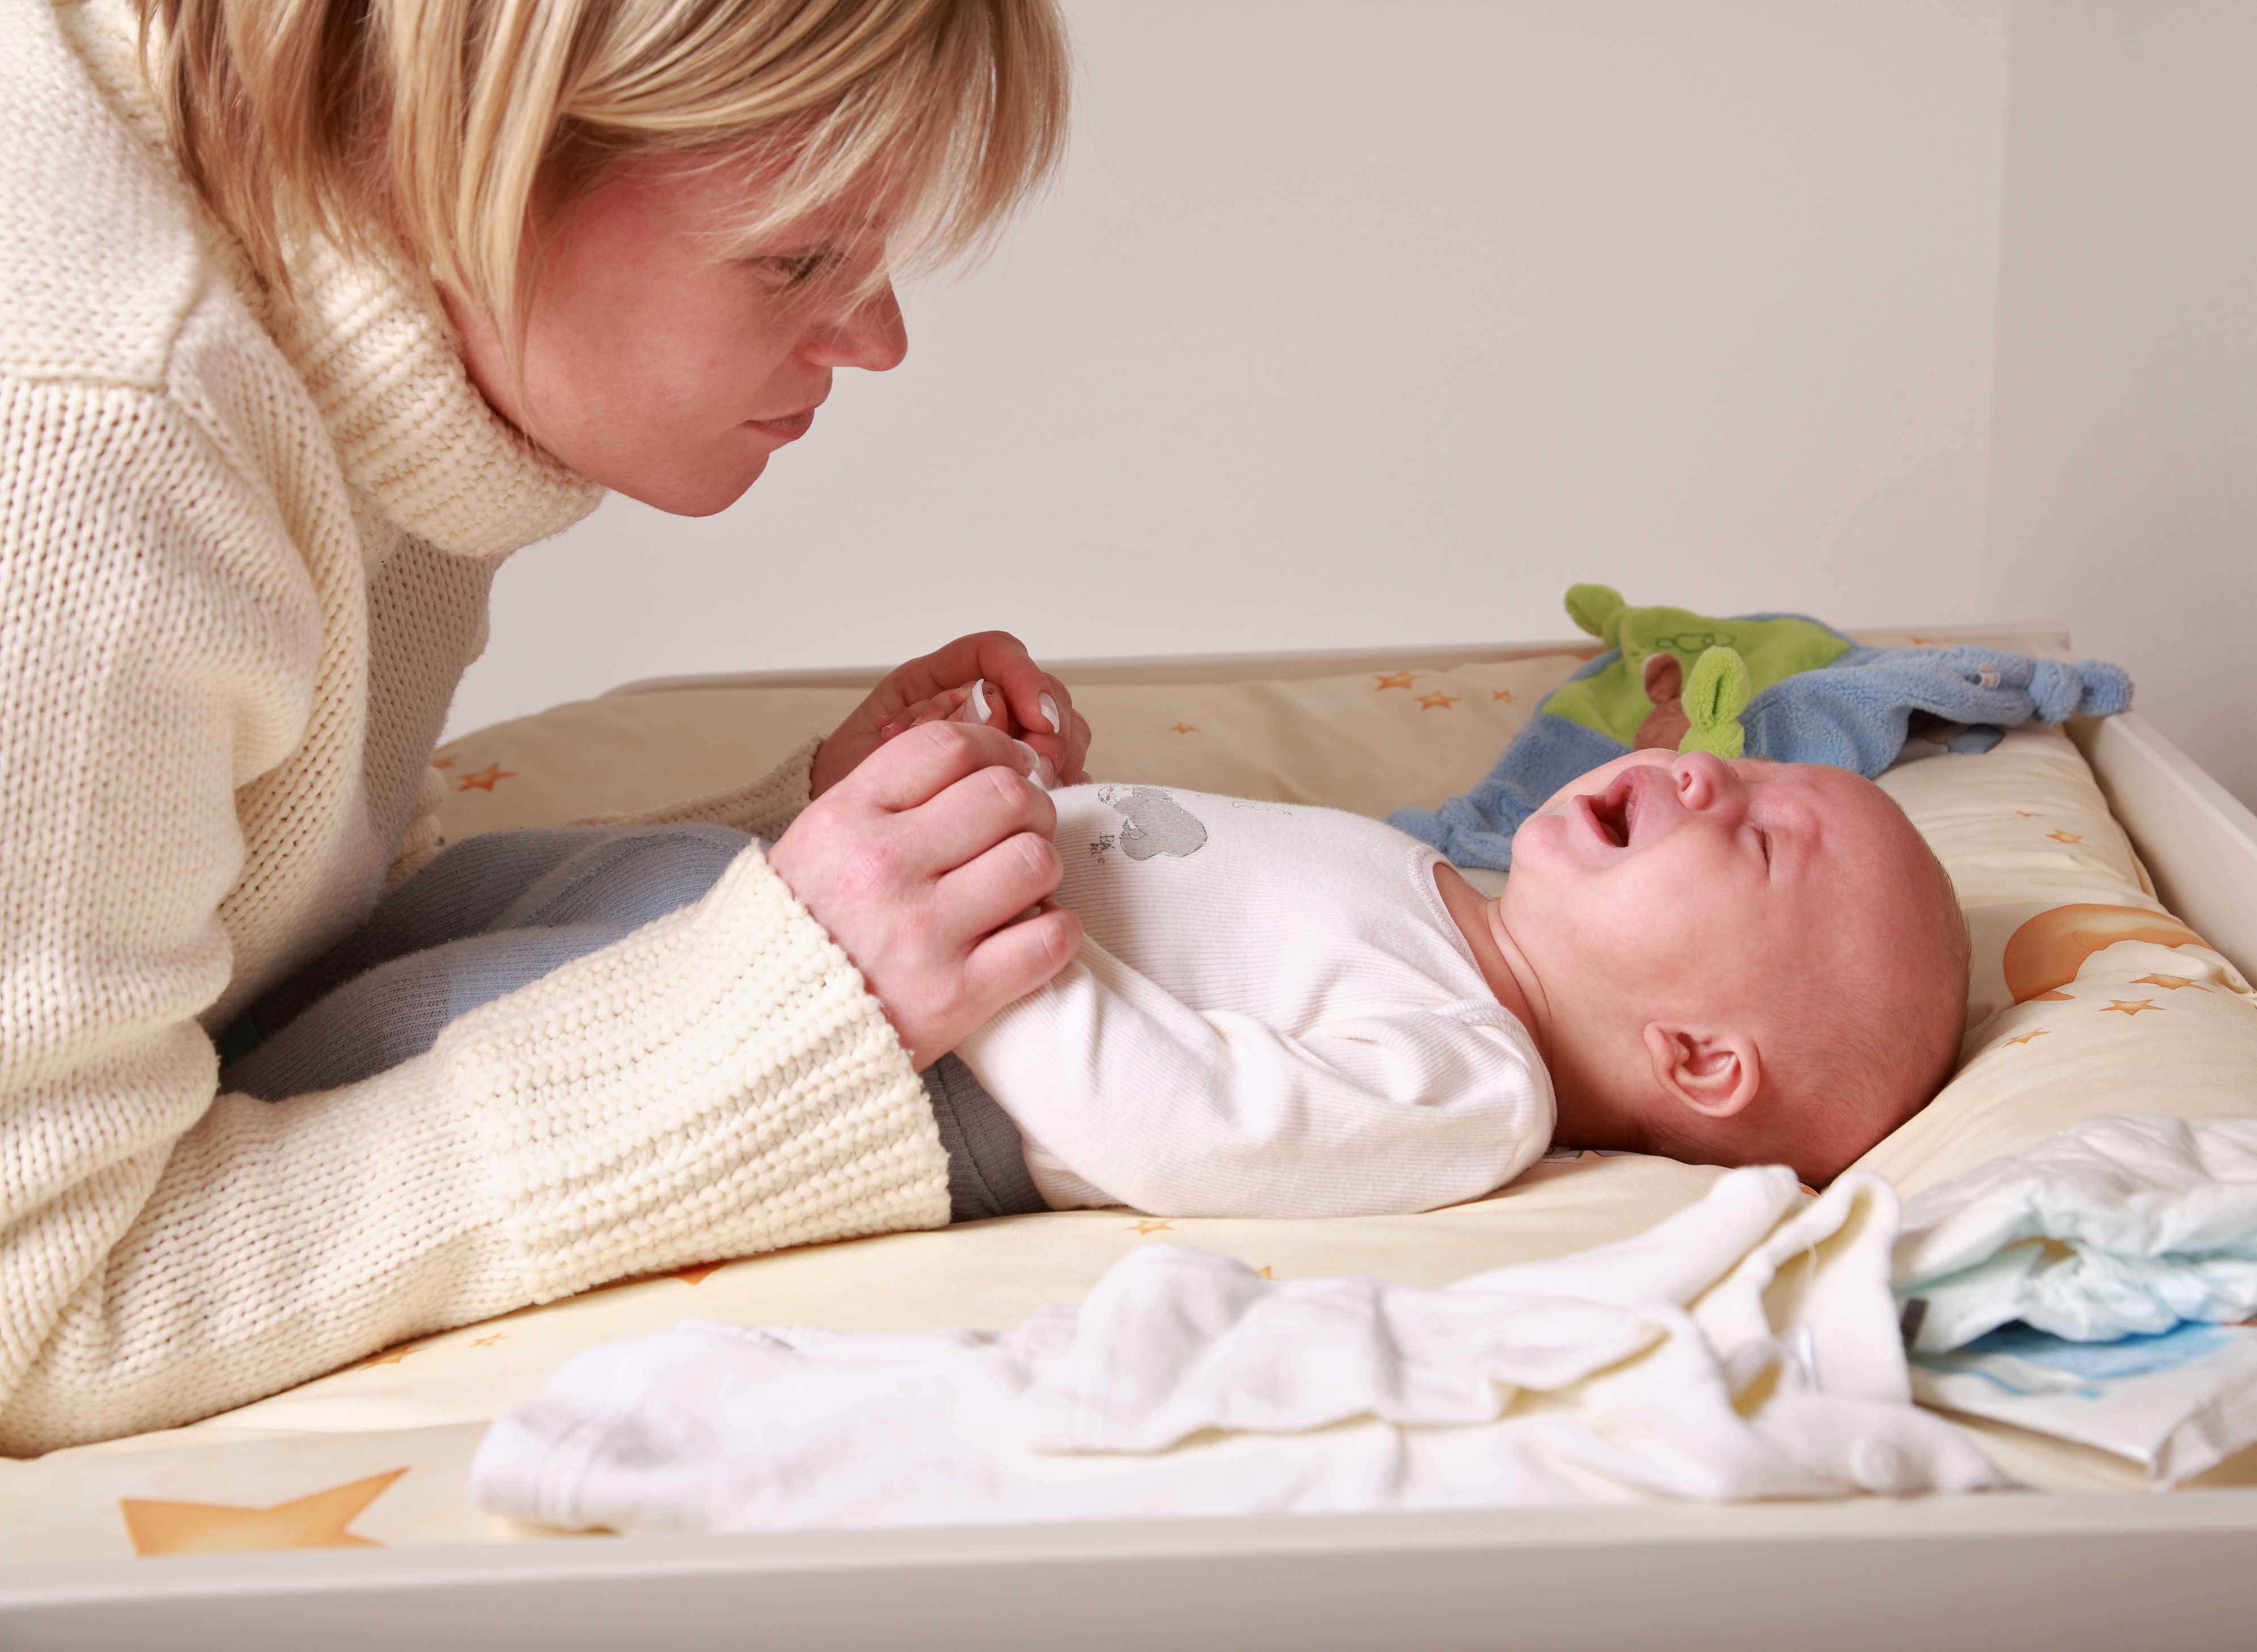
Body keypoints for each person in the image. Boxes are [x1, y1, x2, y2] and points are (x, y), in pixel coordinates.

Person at [0, 0, 1080, 1455]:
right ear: (478, 142)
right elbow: (38, 1317)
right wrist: (768, 1026)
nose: (876, 336)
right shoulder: (96, 432)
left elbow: (276, 951)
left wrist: (788, 856)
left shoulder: (386, 315)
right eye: (799, 259)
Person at [954, 748, 1972, 1215]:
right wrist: (1039, 792)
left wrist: (987, 921)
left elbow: (1189, 1130)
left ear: (1699, 1056)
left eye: (1759, 842)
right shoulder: (1429, 882)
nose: (1703, 771)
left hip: (944, 1071)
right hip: (922, 919)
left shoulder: (1475, 1087)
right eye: (1748, 768)